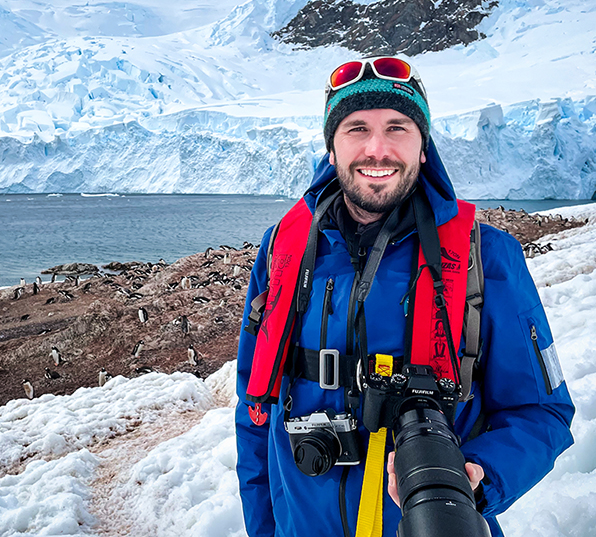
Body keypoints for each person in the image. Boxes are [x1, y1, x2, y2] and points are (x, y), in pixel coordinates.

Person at [235, 57, 574, 537]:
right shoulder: (281, 250)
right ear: (331, 147)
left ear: (422, 148)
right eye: (356, 129)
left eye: (398, 127)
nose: (377, 149)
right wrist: (263, 529)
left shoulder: (487, 256)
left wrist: (474, 479)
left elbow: (544, 413)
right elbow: (254, 410)